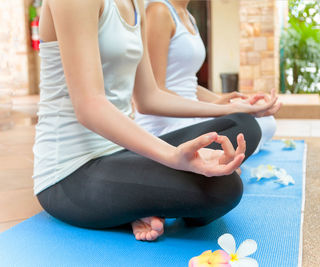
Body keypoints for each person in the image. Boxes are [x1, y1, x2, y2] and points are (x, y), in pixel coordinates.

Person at [33, 0, 280, 242]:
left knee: (241, 124)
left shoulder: (136, 3)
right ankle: (140, 201)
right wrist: (174, 157)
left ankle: (138, 201)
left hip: (119, 152)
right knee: (224, 189)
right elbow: (89, 106)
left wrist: (230, 107)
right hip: (68, 175)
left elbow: (149, 97)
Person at [134, 0, 278, 154]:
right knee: (248, 126)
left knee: (267, 123)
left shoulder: (189, 17)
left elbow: (188, 84)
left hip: (190, 115)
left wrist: (238, 104)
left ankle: (227, 153)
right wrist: (221, 109)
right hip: (166, 125)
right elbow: (155, 89)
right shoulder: (159, 12)